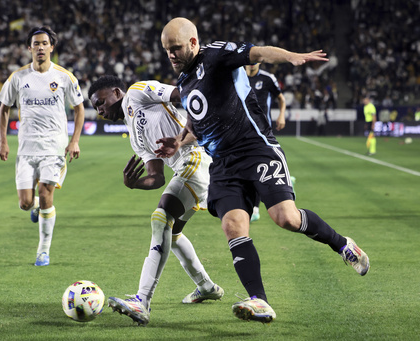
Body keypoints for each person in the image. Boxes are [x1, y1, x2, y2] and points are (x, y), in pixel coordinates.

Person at [159, 17, 370, 323]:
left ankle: (343, 245)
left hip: (256, 150)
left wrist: (290, 56)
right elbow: (197, 124)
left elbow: (256, 53)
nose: (171, 55)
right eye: (167, 50)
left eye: (176, 48)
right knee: (233, 226)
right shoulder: (184, 80)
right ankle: (260, 301)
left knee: (286, 218)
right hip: (224, 164)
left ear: (193, 42)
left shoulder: (216, 54)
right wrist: (178, 142)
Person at [88, 75, 224, 326]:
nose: (99, 111)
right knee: (171, 233)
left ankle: (142, 300)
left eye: (100, 102)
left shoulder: (138, 92)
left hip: (197, 156)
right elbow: (156, 177)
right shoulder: (135, 137)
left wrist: (181, 140)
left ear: (117, 92)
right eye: (96, 108)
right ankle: (206, 286)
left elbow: (187, 95)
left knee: (161, 218)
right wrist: (134, 184)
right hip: (186, 169)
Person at [0, 26, 85, 266]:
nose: (40, 47)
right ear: (29, 48)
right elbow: (4, 108)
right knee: (25, 203)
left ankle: (43, 251)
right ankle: (34, 206)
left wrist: (74, 140)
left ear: (52, 47)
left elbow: (79, 108)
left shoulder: (65, 77)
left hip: (54, 147)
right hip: (26, 148)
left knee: (46, 194)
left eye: (44, 43)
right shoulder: (18, 77)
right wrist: (3, 141)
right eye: (36, 44)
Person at [245, 63, 294, 222]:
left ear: (259, 61)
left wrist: (281, 115)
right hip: (242, 128)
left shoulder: (267, 78)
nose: (252, 63)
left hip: (262, 129)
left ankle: (255, 208)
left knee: (258, 166)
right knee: (248, 166)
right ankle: (286, 179)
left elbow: (281, 98)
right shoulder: (238, 77)